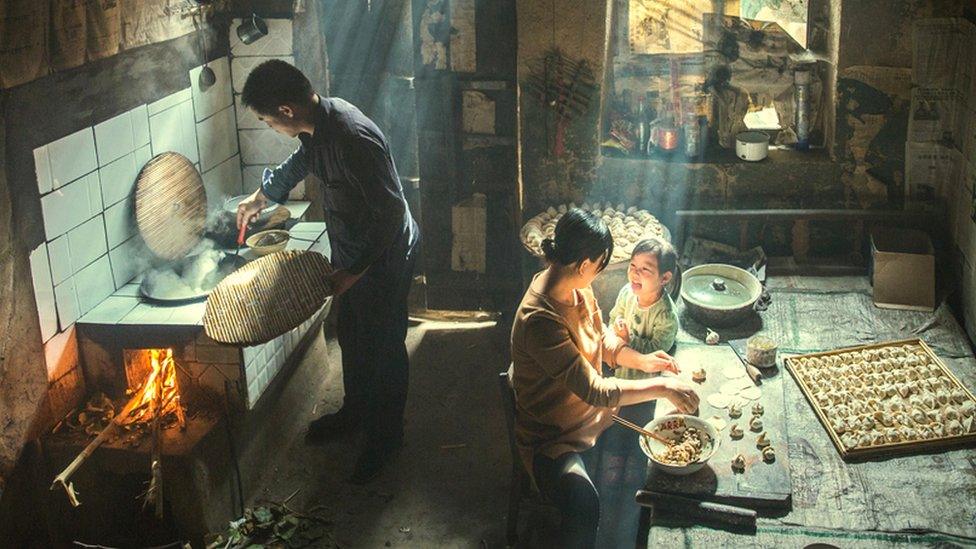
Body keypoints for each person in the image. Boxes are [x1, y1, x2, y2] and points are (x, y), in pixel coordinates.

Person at [236, 60, 420, 484]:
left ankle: (386, 438)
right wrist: (262, 194)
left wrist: (355, 271)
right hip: (355, 252)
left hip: (384, 258)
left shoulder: (352, 137)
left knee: (384, 347)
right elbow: (302, 161)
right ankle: (355, 414)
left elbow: (391, 213)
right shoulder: (318, 125)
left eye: (266, 120)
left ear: (285, 110)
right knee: (354, 335)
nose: (270, 127)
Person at [509, 209, 698, 548]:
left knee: (653, 457)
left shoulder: (575, 288)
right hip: (555, 437)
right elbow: (596, 389)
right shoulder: (540, 320)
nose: (599, 273)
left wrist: (640, 360)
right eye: (599, 265)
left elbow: (604, 340)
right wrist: (663, 385)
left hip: (594, 420)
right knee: (584, 503)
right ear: (584, 265)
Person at [594, 236, 680, 547]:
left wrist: (627, 340)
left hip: (645, 393)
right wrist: (618, 324)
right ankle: (607, 503)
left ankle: (634, 516)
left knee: (638, 454)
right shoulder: (625, 294)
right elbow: (614, 315)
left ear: (665, 278)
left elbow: (656, 356)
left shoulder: (666, 317)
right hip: (619, 385)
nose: (635, 274)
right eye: (633, 266)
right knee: (612, 447)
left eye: (646, 270)